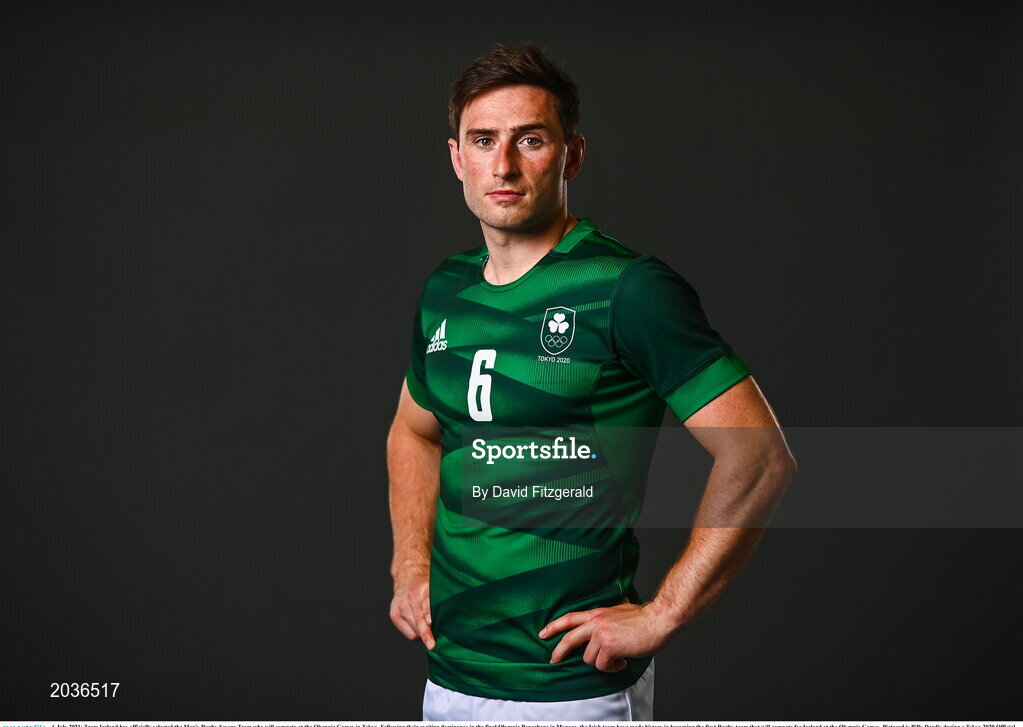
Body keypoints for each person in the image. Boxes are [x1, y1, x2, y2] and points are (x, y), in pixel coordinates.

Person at [387, 42, 797, 721]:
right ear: (457, 158)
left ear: (571, 155)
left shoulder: (627, 289)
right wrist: (409, 563)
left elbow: (757, 455)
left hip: (572, 691)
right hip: (450, 679)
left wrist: (664, 611)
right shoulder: (445, 291)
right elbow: (413, 430)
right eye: (483, 141)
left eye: (530, 139)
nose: (504, 164)